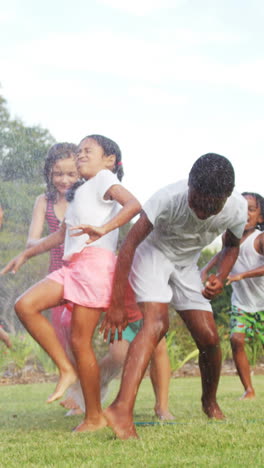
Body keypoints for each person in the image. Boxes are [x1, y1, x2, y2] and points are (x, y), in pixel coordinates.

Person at [101, 153, 248, 439]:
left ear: (227, 197)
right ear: (189, 187)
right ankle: (121, 408)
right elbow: (129, 245)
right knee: (156, 324)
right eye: (198, 201)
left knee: (209, 338)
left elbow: (231, 247)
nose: (203, 211)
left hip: (187, 264)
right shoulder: (167, 199)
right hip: (152, 254)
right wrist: (116, 302)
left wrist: (220, 275)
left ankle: (209, 401)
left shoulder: (237, 208)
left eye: (212, 205)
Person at [1, 134, 141, 434]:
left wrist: (103, 228)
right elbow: (60, 236)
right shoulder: (81, 191)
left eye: (87, 150)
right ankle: (65, 369)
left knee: (81, 343)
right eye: (78, 151)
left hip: (95, 265)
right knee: (25, 305)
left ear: (109, 160)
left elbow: (134, 205)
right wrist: (25, 254)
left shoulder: (104, 179)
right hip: (73, 266)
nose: (80, 155)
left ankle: (93, 417)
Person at [61, 295, 174, 420]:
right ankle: (84, 391)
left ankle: (162, 406)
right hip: (120, 312)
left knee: (159, 349)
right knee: (118, 355)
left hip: (151, 306)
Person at [201, 192, 264, 400]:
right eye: (241, 207)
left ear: (260, 217)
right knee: (236, 340)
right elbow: (223, 253)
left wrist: (243, 275)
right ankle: (249, 389)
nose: (245, 213)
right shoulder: (229, 237)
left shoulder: (260, 239)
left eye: (251, 209)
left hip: (262, 304)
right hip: (242, 304)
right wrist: (205, 269)